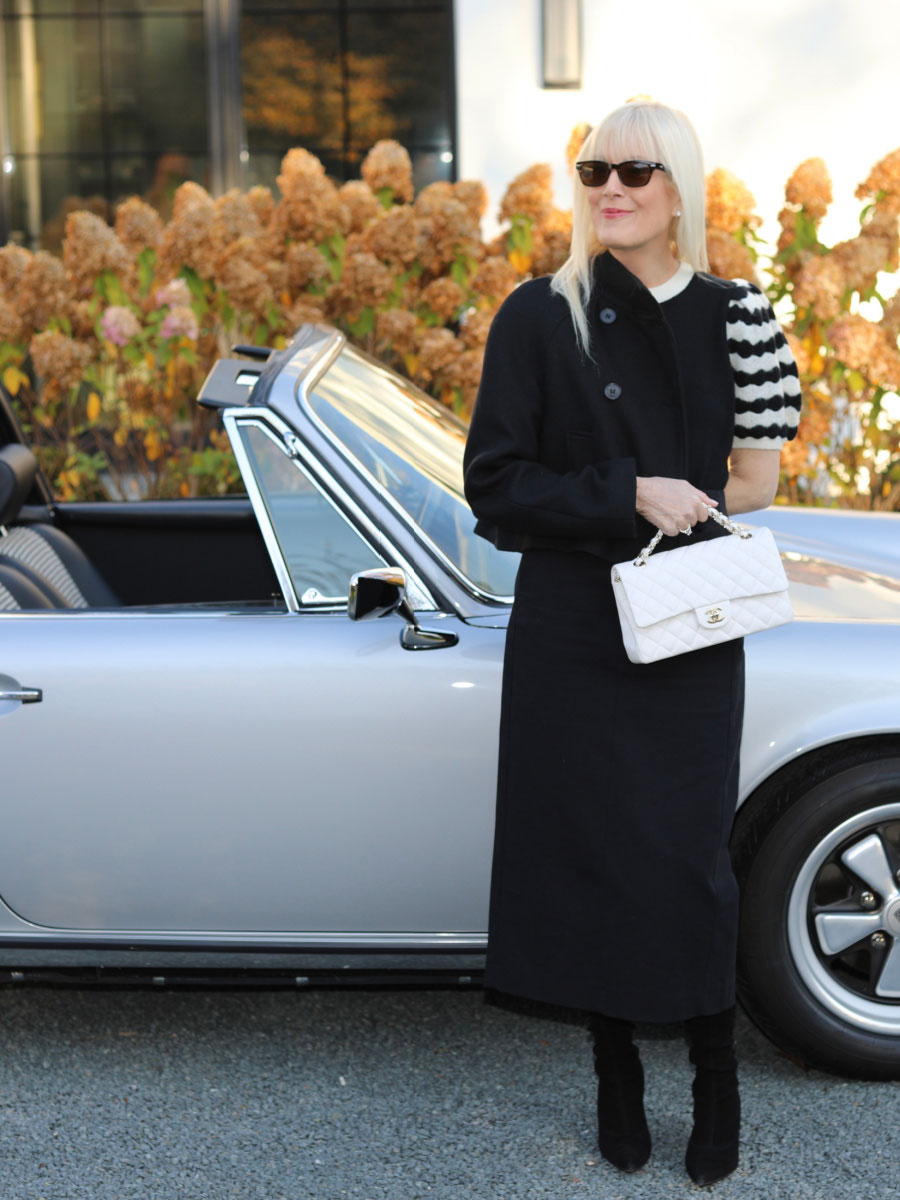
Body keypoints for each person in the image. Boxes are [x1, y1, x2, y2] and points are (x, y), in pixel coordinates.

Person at [462, 100, 801, 1185]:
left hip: (689, 621)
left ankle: (714, 1073)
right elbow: (496, 488)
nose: (612, 188)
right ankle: (614, 1071)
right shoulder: (536, 315)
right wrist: (626, 491)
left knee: (685, 857)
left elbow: (760, 479)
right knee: (589, 850)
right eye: (595, 168)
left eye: (637, 172)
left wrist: (686, 500)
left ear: (680, 189)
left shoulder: (735, 313)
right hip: (572, 624)